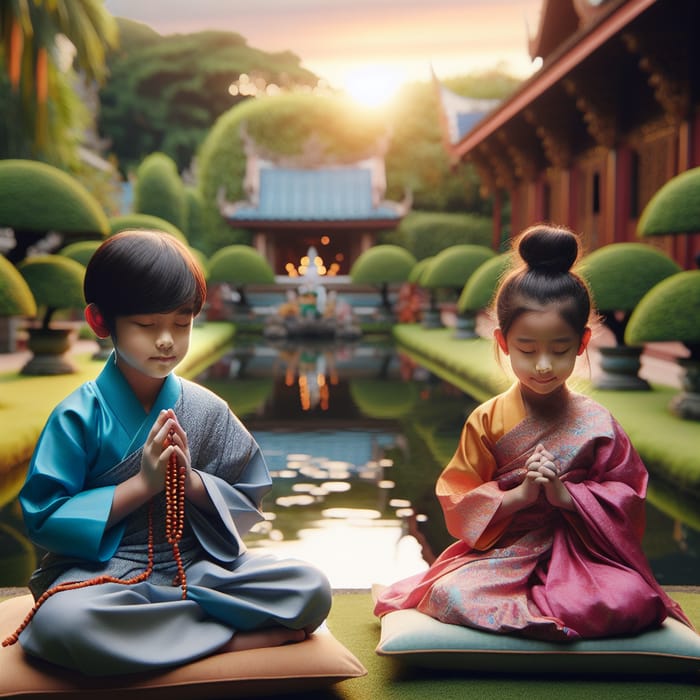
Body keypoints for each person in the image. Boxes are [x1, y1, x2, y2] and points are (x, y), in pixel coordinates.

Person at [6, 230, 332, 675]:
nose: (166, 341)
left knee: (309, 586)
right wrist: (144, 484)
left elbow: (247, 493)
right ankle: (235, 640)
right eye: (147, 325)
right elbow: (44, 517)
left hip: (198, 568)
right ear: (101, 322)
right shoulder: (79, 415)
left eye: (181, 324)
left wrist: (193, 481)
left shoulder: (206, 409)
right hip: (103, 577)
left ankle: (162, 636)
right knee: (63, 625)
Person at [374, 224, 692, 640]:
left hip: (582, 555)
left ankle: (542, 618)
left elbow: (629, 501)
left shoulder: (599, 424)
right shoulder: (487, 420)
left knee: (629, 598)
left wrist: (568, 497)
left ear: (582, 343)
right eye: (527, 349)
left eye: (559, 349)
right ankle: (545, 620)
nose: (543, 364)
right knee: (452, 593)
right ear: (504, 342)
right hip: (502, 554)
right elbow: (457, 498)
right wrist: (517, 497)